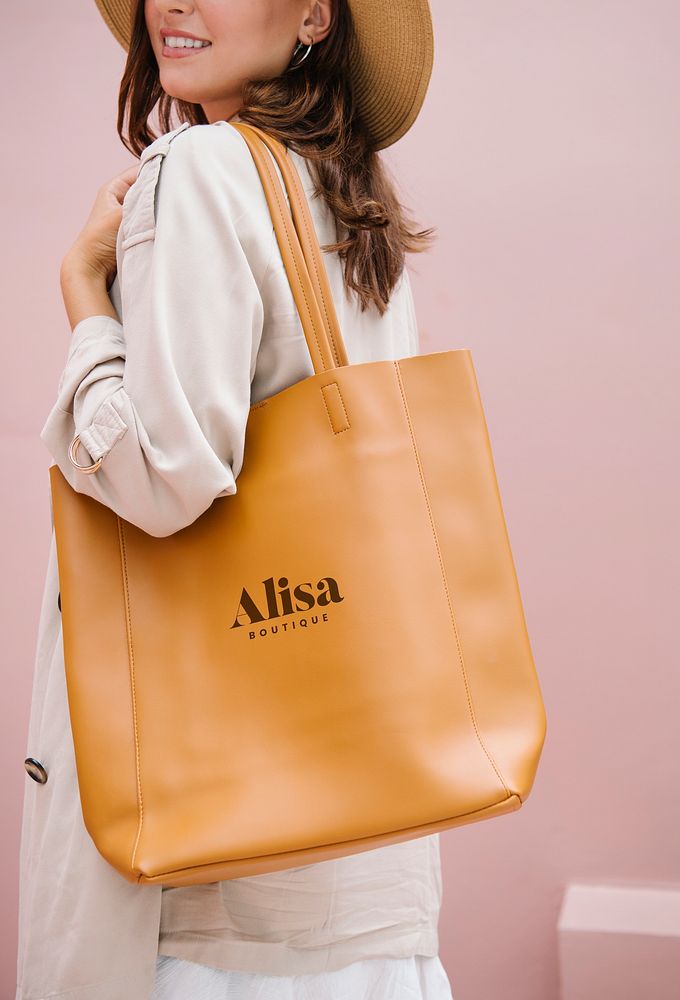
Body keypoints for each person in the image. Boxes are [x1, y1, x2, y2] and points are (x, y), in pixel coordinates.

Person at [15, 0, 454, 997]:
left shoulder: (203, 170)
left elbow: (168, 474)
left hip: (220, 889)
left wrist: (86, 301)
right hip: (356, 863)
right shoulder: (345, 195)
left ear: (311, 14)